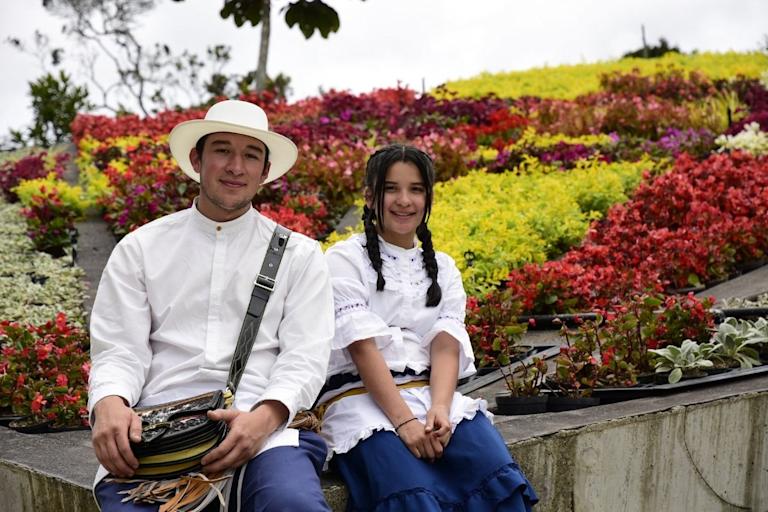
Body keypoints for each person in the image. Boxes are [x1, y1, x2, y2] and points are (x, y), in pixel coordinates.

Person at [87, 99, 334, 511]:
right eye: (222, 150)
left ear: (265, 171)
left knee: (293, 504)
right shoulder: (140, 248)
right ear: (196, 160)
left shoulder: (301, 255)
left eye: (250, 155)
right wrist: (109, 401)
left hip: (265, 428)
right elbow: (119, 349)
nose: (236, 166)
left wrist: (265, 417)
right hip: (161, 432)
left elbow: (305, 357)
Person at [318, 144, 538, 511]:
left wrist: (440, 408)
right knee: (410, 492)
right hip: (359, 401)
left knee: (493, 468)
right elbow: (362, 347)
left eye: (416, 190)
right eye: (391, 189)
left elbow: (446, 344)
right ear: (370, 196)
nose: (404, 200)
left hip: (431, 394)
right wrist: (404, 422)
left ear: (428, 198)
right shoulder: (344, 259)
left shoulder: (444, 267)